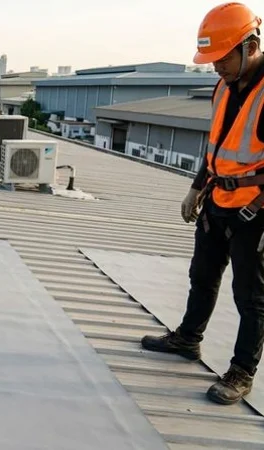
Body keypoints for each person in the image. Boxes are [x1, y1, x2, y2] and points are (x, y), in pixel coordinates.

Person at [141, 2, 264, 405]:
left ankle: (241, 372)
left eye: (222, 57)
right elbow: (216, 146)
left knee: (251, 297)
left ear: (250, 45)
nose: (215, 67)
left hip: (255, 210)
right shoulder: (222, 87)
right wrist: (196, 187)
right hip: (216, 198)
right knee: (202, 276)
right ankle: (188, 339)